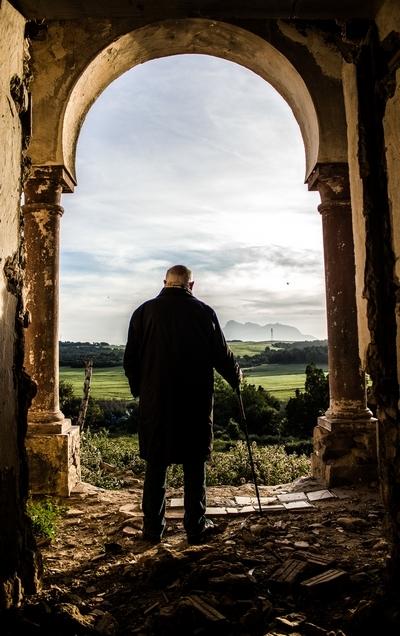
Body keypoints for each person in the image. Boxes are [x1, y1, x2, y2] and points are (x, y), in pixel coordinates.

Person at [123, 264, 241, 544]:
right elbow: (222, 355)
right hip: (194, 402)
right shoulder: (204, 313)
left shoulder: (143, 312)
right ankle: (196, 528)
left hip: (156, 403)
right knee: (194, 465)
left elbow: (131, 360)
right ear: (192, 285)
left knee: (156, 466)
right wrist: (236, 378)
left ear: (164, 282)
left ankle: (152, 530)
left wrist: (142, 391)